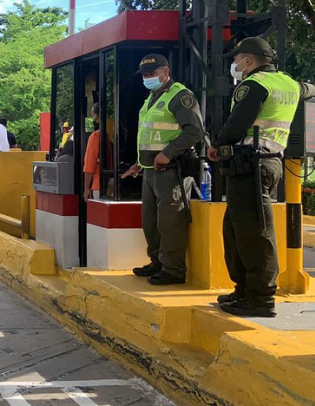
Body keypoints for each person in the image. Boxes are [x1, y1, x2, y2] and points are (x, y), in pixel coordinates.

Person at [207, 37, 315, 317]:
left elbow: (236, 124)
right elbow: (309, 89)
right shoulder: (289, 83)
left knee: (254, 232)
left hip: (252, 164)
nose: (234, 64)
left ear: (249, 60)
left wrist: (217, 144)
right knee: (236, 229)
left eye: (236, 59)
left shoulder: (254, 85)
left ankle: (261, 297)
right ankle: (244, 290)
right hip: (265, 163)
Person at [121, 54, 204, 285]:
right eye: (145, 75)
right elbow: (151, 135)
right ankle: (157, 262)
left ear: (165, 71)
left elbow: (194, 131)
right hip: (149, 169)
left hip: (172, 170)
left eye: (152, 73)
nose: (147, 78)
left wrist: (168, 152)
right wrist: (140, 162)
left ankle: (173, 269)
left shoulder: (181, 96)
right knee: (151, 222)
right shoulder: (152, 98)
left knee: (171, 222)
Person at [83, 103, 112, 201]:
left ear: (98, 116)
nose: (93, 118)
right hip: (109, 182)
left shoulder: (95, 136)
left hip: (97, 184)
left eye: (93, 115)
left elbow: (89, 164)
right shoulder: (107, 136)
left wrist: (86, 189)